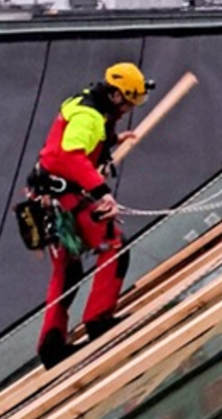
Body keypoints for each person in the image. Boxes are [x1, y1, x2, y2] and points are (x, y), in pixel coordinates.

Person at [32, 63, 152, 369]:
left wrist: (112, 141)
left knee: (67, 270)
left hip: (50, 195)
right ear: (113, 95)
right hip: (66, 196)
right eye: (127, 102)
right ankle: (98, 320)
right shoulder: (88, 115)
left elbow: (77, 144)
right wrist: (102, 193)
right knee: (113, 244)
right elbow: (71, 154)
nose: (127, 109)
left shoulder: (86, 106)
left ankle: (52, 344)